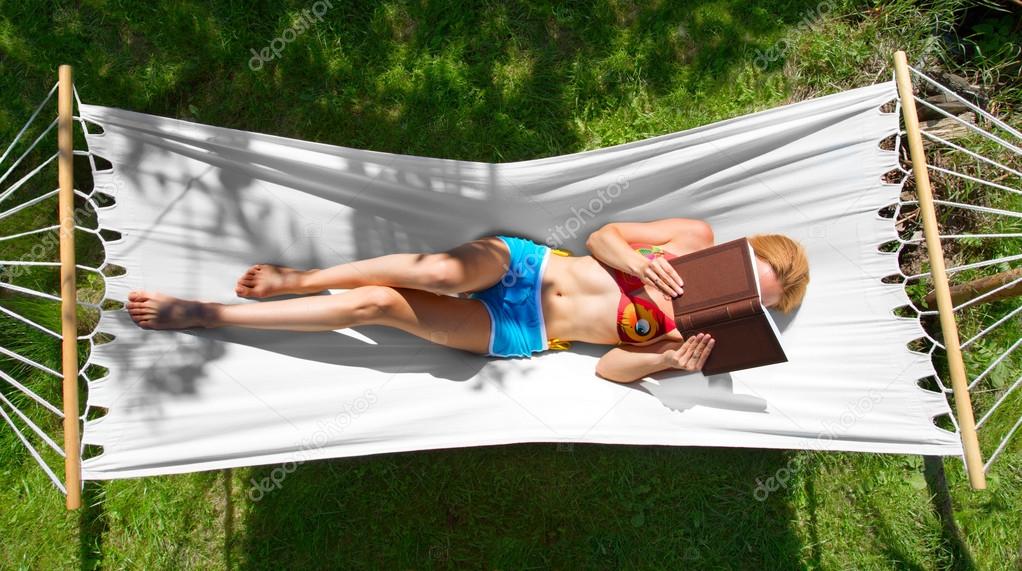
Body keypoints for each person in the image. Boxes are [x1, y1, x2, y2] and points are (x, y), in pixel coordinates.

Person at [126, 218, 809, 383]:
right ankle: (301, 278)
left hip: (521, 326)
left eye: (755, 300)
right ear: (743, 251)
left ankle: (207, 314)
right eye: (746, 275)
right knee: (447, 273)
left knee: (378, 305)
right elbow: (603, 234)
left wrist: (665, 359)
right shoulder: (693, 238)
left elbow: (606, 368)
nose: (740, 293)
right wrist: (637, 262)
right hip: (527, 263)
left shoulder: (708, 343)